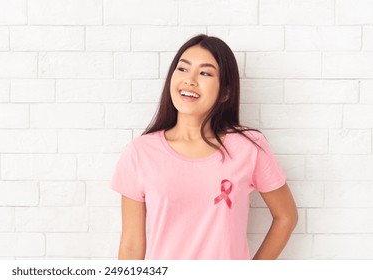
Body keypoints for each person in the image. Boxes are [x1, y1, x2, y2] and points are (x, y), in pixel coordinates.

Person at [110, 34, 298, 260]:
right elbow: (131, 245)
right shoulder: (140, 152)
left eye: (205, 73)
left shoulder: (249, 147)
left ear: (225, 92)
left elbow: (286, 216)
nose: (190, 80)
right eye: (182, 69)